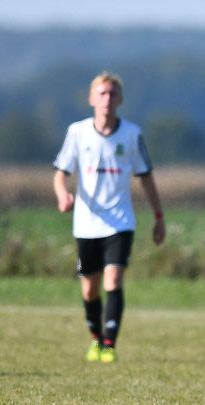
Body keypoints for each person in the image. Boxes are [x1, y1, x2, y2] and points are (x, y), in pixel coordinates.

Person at [53, 71, 166, 363]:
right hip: (86, 223)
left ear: (120, 100)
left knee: (113, 280)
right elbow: (61, 173)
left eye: (112, 94)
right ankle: (96, 337)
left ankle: (109, 345)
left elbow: (146, 177)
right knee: (90, 289)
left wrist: (158, 216)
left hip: (120, 221)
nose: (107, 99)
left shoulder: (131, 134)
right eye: (102, 93)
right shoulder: (77, 132)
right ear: (92, 99)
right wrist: (63, 194)